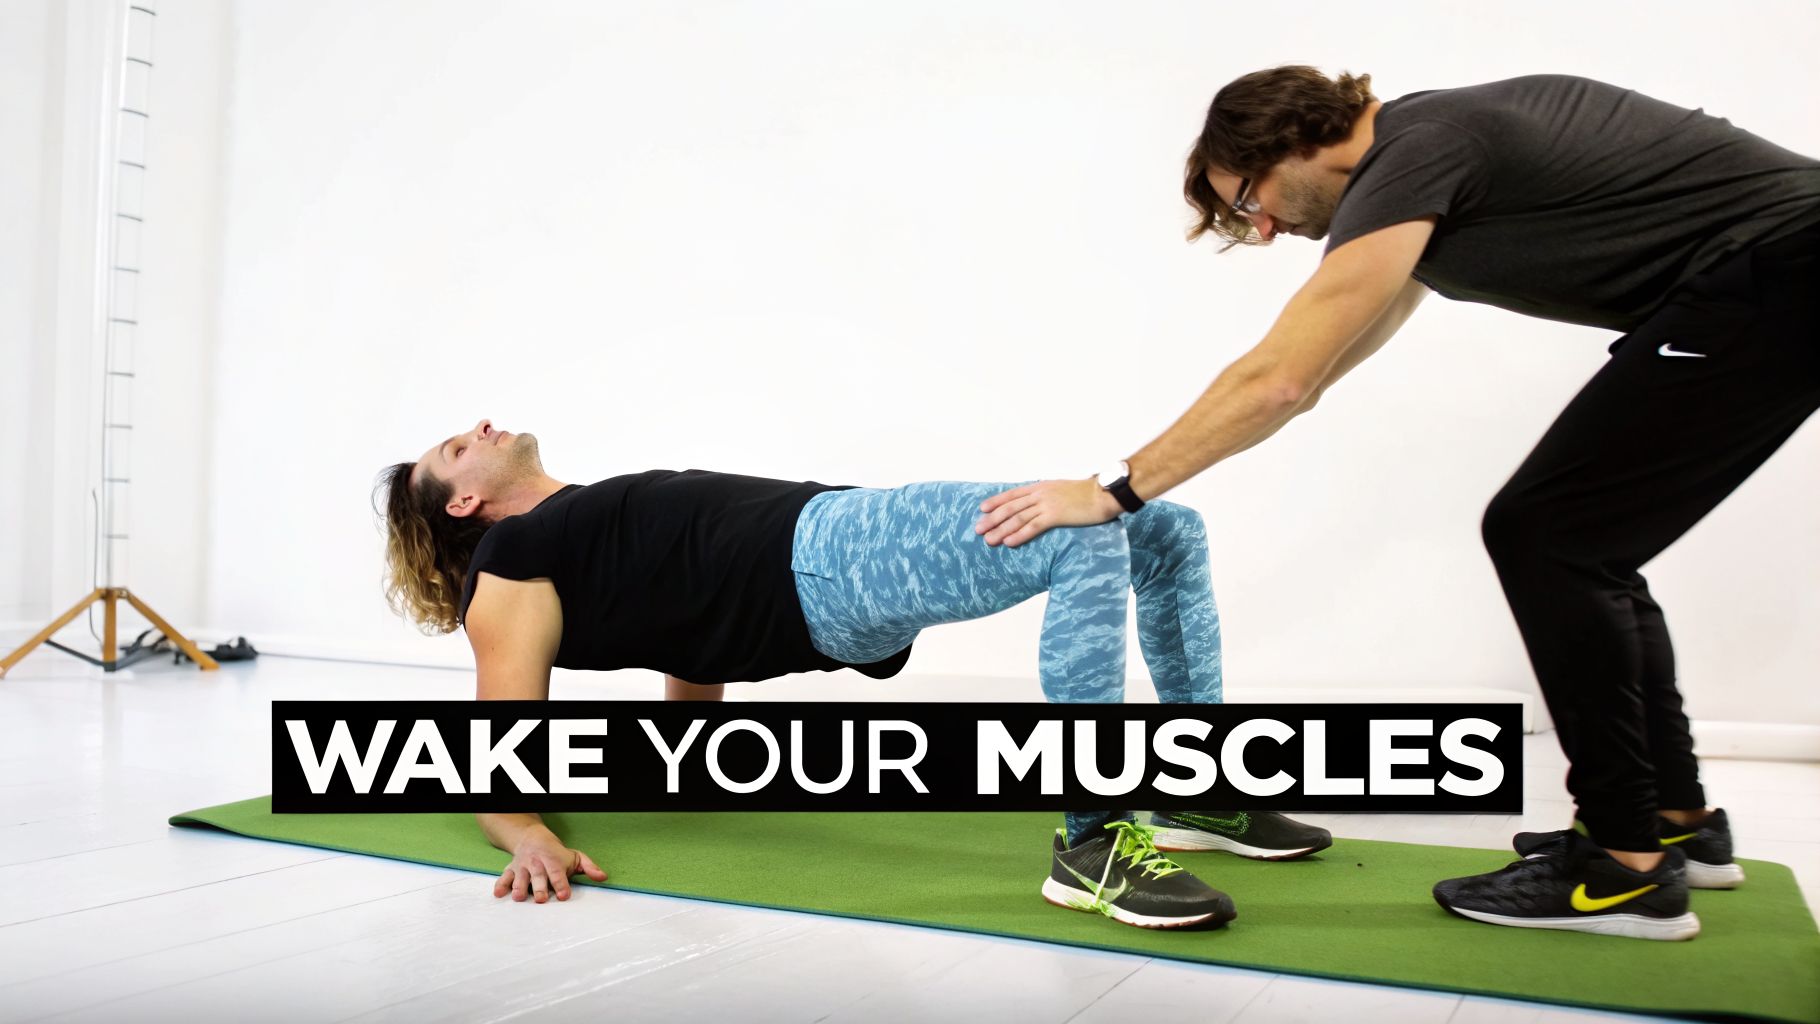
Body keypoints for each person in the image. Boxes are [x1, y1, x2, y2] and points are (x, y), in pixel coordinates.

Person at [972, 68, 1819, 941]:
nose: (1261, 229)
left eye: (1249, 198)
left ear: (1289, 142)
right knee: (1582, 543)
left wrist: (1110, 489)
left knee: (1549, 538)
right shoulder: (1426, 165)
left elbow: (1281, 376)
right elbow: (1320, 369)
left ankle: (1623, 867)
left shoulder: (1419, 152)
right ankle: (1677, 825)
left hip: (1780, 267)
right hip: (1772, 276)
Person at [376, 419, 1331, 930]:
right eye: (459, 445)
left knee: (1166, 529)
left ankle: (1200, 786)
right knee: (1080, 527)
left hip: (837, 542)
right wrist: (524, 834)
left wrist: (694, 754)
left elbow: (681, 627)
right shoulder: (508, 570)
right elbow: (498, 740)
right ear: (465, 501)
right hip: (826, 555)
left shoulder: (581, 525)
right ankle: (1091, 842)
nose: (483, 425)